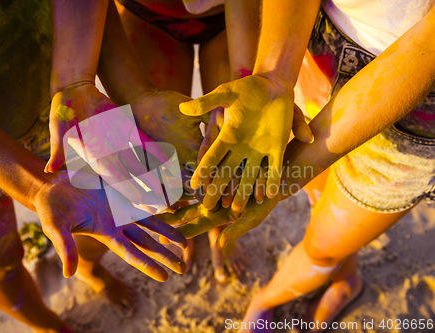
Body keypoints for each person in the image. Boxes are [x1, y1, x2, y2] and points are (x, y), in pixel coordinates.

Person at [0, 0, 203, 331]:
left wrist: (103, 87)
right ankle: (48, 325)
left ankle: (91, 270)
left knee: (98, 214)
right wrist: (35, 186)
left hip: (65, 108)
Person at [167, 0, 435, 331]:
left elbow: (427, 46)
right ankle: (346, 276)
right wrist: (274, 78)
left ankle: (267, 299)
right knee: (319, 203)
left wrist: (289, 175)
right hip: (321, 47)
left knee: (322, 248)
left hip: (419, 96)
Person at [114, 0, 314, 282]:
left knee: (228, 140)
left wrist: (248, 79)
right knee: (164, 147)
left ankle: (217, 224)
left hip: (231, 12)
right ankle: (183, 209)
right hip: (145, 13)